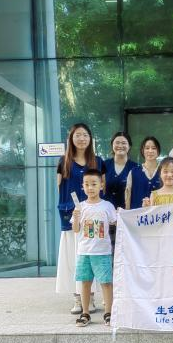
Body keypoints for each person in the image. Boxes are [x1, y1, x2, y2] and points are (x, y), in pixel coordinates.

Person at [56, 123, 106, 315]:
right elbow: (59, 188)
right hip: (72, 217)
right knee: (73, 259)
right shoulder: (63, 162)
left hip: (93, 219)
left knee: (91, 258)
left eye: (85, 135)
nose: (82, 138)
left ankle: (90, 298)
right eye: (78, 135)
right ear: (71, 138)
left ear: (90, 138)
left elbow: (104, 188)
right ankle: (77, 298)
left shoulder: (98, 162)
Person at [71, 169, 116, 327]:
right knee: (85, 283)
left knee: (106, 283)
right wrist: (76, 217)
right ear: (82, 186)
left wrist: (122, 215)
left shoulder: (107, 206)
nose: (90, 187)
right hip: (84, 252)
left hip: (102, 252)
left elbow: (116, 222)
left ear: (101, 185)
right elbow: (76, 229)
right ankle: (85, 313)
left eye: (94, 184)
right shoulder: (80, 207)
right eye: (87, 184)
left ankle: (109, 313)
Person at [104, 132, 138, 210]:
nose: (120, 146)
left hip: (126, 212)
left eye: (123, 143)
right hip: (106, 211)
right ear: (112, 145)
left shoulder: (135, 168)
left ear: (129, 146)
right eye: (117, 143)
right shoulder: (104, 165)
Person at [125, 137, 162, 209]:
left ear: (158, 151)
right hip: (137, 214)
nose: (150, 151)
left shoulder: (164, 172)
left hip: (159, 214)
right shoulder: (133, 172)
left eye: (154, 148)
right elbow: (128, 195)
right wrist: (127, 211)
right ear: (142, 151)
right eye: (147, 148)